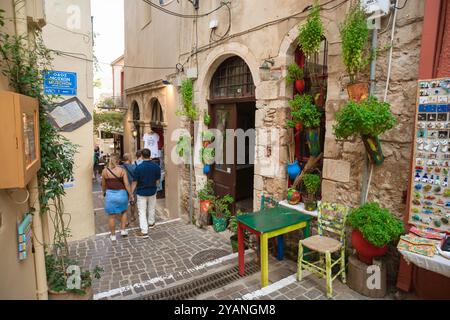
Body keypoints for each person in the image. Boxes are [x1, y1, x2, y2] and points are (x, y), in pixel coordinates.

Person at [101, 154, 132, 241]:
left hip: (110, 195)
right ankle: (123, 230)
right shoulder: (122, 171)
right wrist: (130, 195)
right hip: (122, 194)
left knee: (111, 216)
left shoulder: (104, 171)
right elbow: (127, 184)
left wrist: (103, 192)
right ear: (118, 161)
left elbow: (103, 185)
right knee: (124, 212)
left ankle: (113, 235)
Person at [132, 148, 161, 239]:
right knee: (151, 208)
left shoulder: (139, 168)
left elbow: (135, 182)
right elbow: (157, 181)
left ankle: (144, 231)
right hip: (152, 191)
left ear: (141, 156)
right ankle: (151, 223)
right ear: (150, 155)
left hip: (141, 192)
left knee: (142, 212)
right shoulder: (156, 166)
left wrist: (131, 193)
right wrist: (154, 187)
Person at [121, 153, 137, 223]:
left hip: (123, 187)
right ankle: (132, 216)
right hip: (133, 187)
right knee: (132, 203)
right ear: (129, 158)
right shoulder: (134, 167)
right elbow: (137, 178)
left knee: (124, 203)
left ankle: (125, 219)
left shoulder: (120, 167)